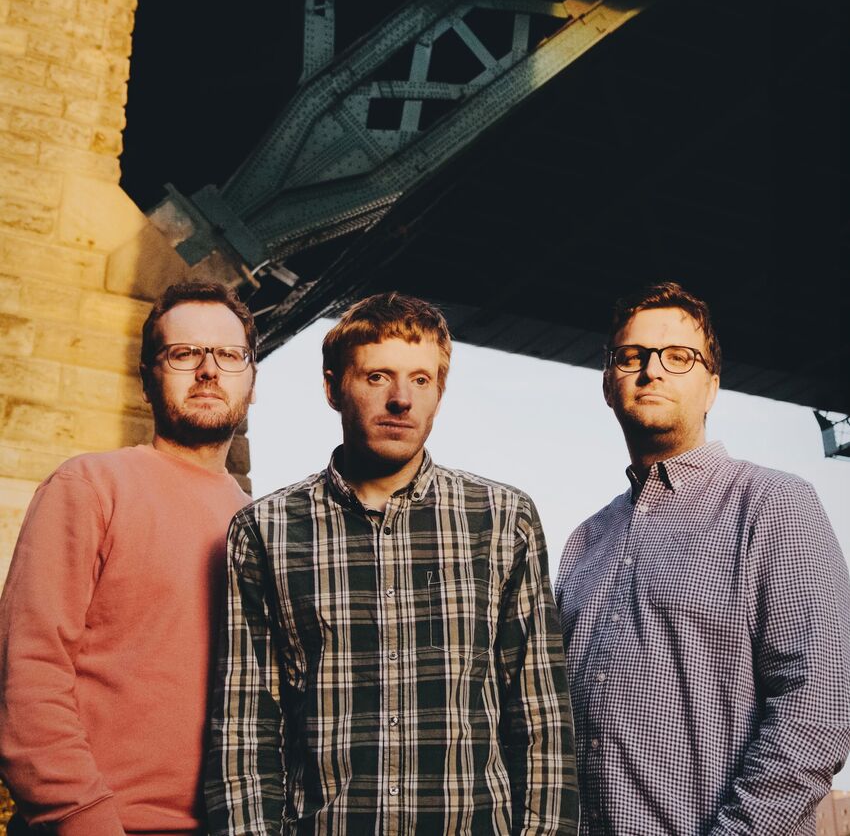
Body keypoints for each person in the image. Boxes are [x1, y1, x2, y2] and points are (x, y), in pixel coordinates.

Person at [206, 291, 578, 836]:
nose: (401, 398)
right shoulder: (266, 531)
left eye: (421, 380)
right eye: (377, 377)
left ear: (439, 393)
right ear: (333, 388)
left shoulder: (502, 520)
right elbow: (244, 727)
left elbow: (541, 717)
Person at [555, 280, 850, 836]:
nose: (653, 370)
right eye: (631, 356)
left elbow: (818, 708)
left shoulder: (773, 504)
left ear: (712, 385)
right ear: (607, 383)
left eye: (678, 356)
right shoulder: (585, 541)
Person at [0, 280, 257, 836]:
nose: (209, 370)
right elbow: (28, 674)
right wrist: (83, 821)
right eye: (185, 353)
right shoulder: (90, 485)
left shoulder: (260, 524)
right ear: (147, 380)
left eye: (229, 355)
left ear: (251, 381)